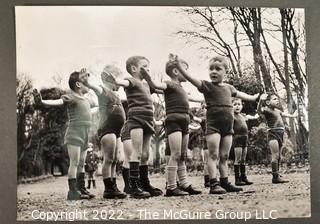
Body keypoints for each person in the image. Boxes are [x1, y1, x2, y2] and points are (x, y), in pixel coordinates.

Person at [173, 55, 260, 194]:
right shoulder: (207, 86)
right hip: (213, 127)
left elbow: (241, 94)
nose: (213, 71)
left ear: (225, 71)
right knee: (213, 155)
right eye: (211, 69)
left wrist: (253, 97)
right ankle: (214, 183)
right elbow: (191, 79)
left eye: (218, 69)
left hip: (228, 128)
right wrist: (178, 66)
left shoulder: (229, 88)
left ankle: (225, 182)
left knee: (224, 156)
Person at [141, 57, 201, 197]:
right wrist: (147, 75)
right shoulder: (168, 84)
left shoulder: (182, 88)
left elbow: (196, 99)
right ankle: (171, 187)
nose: (187, 73)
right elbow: (155, 84)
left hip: (185, 121)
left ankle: (184, 184)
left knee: (182, 155)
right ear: (176, 71)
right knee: (175, 154)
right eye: (184, 70)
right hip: (173, 120)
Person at [33, 70, 97, 200]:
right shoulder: (71, 96)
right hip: (74, 133)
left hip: (85, 134)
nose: (88, 85)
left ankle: (81, 189)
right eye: (85, 82)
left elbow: (93, 108)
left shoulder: (86, 99)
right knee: (74, 162)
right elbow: (58, 102)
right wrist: (42, 101)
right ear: (78, 84)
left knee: (81, 163)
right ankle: (72, 191)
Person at [108, 56, 162, 198]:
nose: (148, 69)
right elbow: (122, 82)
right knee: (136, 153)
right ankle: (134, 185)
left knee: (145, 154)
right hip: (136, 119)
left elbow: (159, 89)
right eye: (144, 66)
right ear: (134, 68)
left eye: (149, 66)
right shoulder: (131, 80)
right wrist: (115, 81)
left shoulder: (147, 85)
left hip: (148, 120)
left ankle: (145, 183)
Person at [82, 67, 127, 199]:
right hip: (108, 128)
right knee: (108, 159)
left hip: (116, 130)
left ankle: (113, 185)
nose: (118, 83)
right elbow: (95, 88)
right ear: (108, 79)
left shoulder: (116, 95)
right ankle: (108, 188)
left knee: (114, 160)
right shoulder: (103, 90)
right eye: (116, 79)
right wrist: (87, 82)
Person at [258, 93, 297, 184]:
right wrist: (260, 101)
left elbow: (285, 114)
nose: (277, 100)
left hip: (280, 134)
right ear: (268, 102)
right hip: (273, 134)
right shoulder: (267, 110)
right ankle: (275, 177)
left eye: (277, 99)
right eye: (274, 99)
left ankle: (277, 174)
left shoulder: (278, 111)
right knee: (275, 155)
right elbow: (259, 111)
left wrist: (293, 116)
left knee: (278, 156)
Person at [231, 98, 259, 186]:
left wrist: (255, 116)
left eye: (239, 104)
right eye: (235, 104)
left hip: (245, 138)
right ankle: (237, 179)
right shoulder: (232, 116)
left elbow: (250, 117)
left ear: (242, 106)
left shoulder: (243, 115)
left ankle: (244, 177)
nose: (237, 106)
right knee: (238, 159)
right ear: (231, 106)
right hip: (237, 138)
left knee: (243, 159)